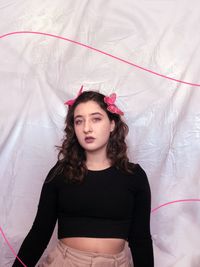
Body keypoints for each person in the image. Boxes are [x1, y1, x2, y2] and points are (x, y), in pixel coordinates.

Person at [12, 86, 154, 267]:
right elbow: (39, 234)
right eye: (79, 121)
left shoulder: (134, 176)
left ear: (112, 124)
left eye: (96, 119)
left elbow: (140, 239)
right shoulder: (60, 173)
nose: (87, 128)